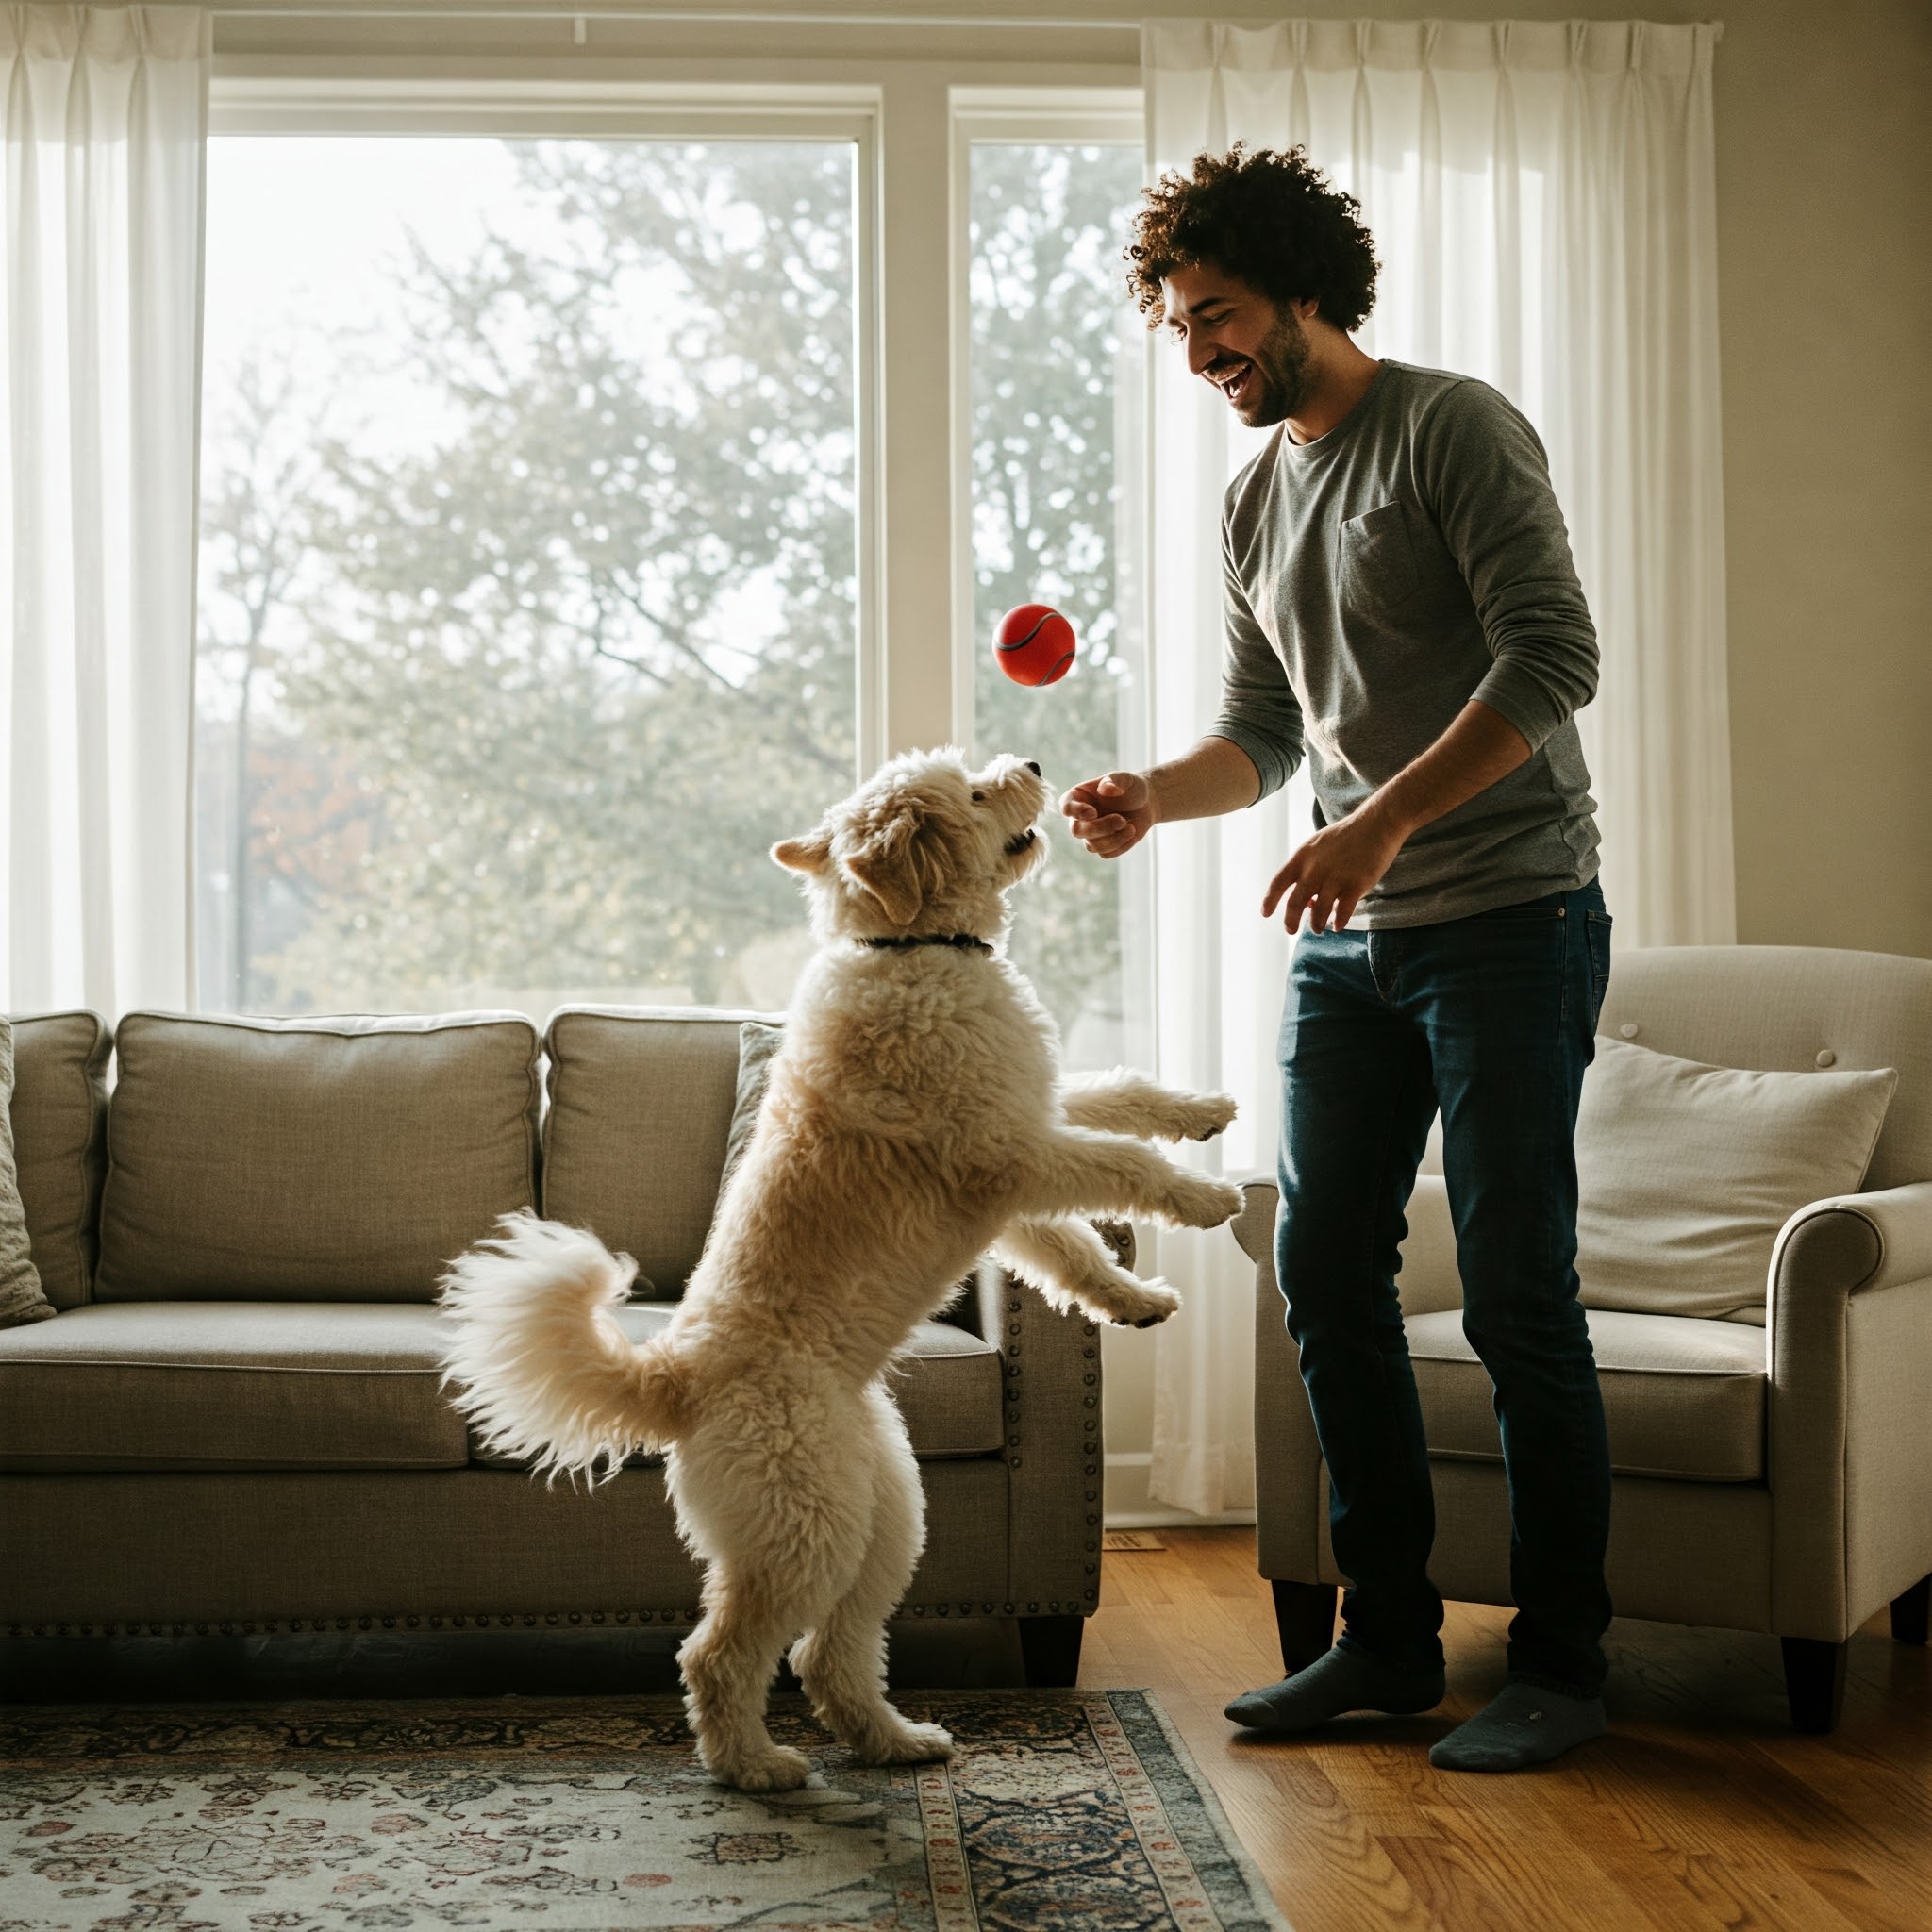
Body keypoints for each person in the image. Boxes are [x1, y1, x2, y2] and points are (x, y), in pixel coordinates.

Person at [1065, 144, 1614, 1774]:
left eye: (1219, 315)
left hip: (1512, 920)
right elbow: (1261, 733)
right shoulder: (1256, 498)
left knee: (1517, 1289)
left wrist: (1377, 827)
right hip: (1353, 947)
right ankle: (1386, 1639)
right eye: (1178, 325)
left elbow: (1554, 657)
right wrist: (1152, 797)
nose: (1199, 352)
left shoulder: (1451, 428)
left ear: (1305, 292)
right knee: (1320, 1269)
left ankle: (1564, 1663)